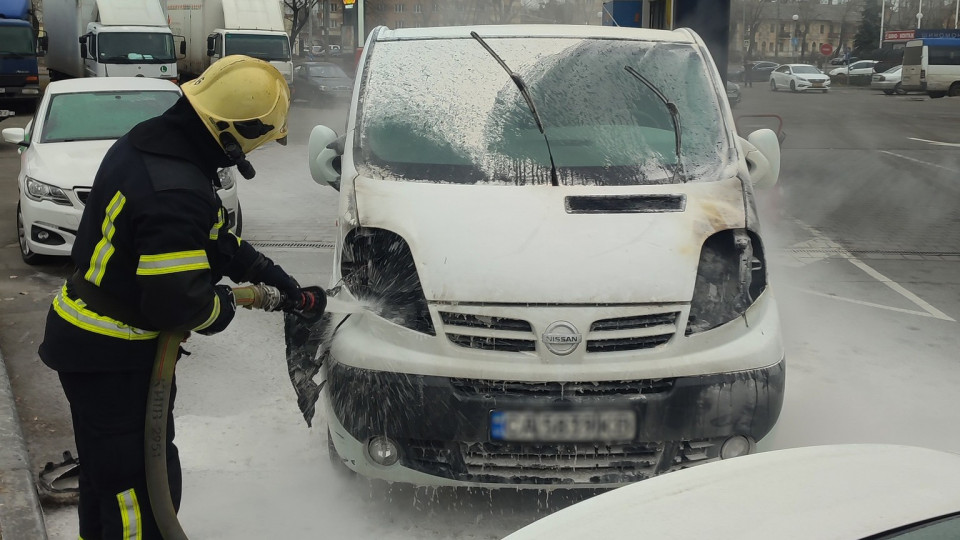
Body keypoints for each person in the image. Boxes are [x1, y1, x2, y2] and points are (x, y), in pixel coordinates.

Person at [38, 55, 325, 539]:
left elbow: (215, 238)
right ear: (234, 131)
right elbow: (178, 305)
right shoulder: (174, 187)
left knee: (109, 480)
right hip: (112, 354)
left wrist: (278, 281)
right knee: (139, 495)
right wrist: (233, 303)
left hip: (93, 340)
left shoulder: (156, 145)